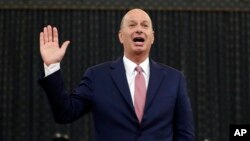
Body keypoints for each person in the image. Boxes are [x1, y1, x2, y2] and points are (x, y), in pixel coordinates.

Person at [38, 8, 195, 141]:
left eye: (145, 25)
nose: (139, 29)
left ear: (152, 37)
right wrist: (52, 66)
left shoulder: (174, 79)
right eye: (132, 25)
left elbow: (185, 134)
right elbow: (65, 113)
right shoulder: (97, 76)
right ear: (121, 36)